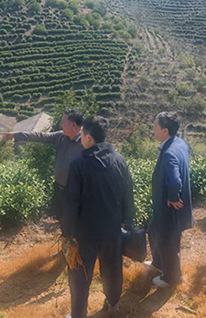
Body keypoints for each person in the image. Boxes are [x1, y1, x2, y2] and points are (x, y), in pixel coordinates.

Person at [62, 116, 135, 318]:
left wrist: (67, 232)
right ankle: (113, 305)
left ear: (89, 138)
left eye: (83, 135)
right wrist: (127, 222)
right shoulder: (120, 161)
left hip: (84, 233)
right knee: (112, 270)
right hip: (112, 230)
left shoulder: (78, 165)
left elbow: (71, 203)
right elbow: (128, 195)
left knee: (79, 275)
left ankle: (79, 314)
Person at [3, 109, 84, 220]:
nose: (61, 125)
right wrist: (16, 135)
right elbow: (40, 136)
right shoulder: (60, 137)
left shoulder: (85, 143)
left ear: (73, 125)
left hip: (76, 193)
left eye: (63, 123)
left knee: (75, 221)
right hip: (59, 189)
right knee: (61, 218)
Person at [147, 111, 193, 288]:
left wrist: (173, 197)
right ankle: (159, 263)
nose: (153, 129)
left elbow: (174, 181)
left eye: (155, 126)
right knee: (154, 229)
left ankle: (171, 278)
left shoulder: (169, 153)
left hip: (168, 208)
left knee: (168, 242)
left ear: (165, 131)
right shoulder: (180, 144)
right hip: (167, 207)